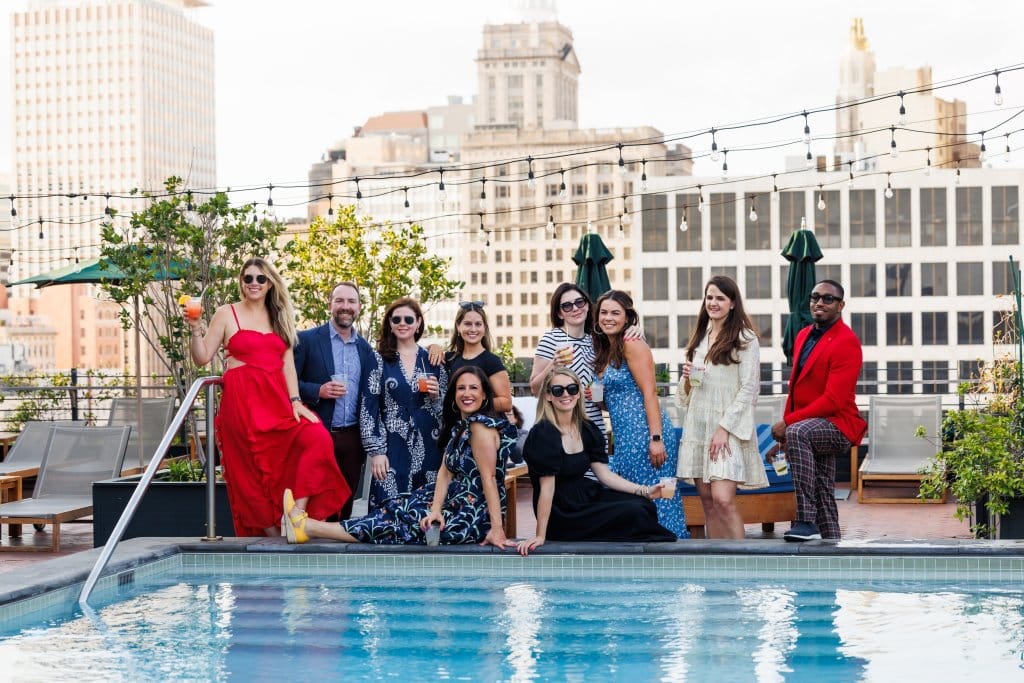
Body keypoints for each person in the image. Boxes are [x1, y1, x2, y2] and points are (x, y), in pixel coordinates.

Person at [187, 258, 350, 536]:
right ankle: (274, 541)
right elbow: (202, 358)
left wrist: (296, 401)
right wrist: (194, 328)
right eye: (248, 278)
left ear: (270, 283)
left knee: (317, 438)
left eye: (260, 279)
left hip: (276, 403)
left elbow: (287, 363)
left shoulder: (280, 316)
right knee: (248, 476)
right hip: (241, 403)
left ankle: (295, 516)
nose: (253, 283)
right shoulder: (227, 313)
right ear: (241, 282)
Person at [282, 366, 516, 548]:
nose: (466, 394)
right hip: (451, 503)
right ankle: (307, 526)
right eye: (461, 388)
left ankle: (308, 526)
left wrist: (497, 529)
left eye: (473, 388)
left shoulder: (481, 428)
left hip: (469, 515)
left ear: (485, 394)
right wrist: (436, 508)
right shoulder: (461, 427)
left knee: (398, 524)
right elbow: (445, 472)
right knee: (395, 508)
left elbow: (489, 480)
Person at [517, 367, 676, 555]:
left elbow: (604, 475)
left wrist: (645, 491)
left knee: (643, 505)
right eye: (558, 390)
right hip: (562, 511)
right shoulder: (544, 433)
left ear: (579, 393)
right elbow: (547, 489)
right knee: (634, 512)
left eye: (572, 389)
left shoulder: (586, 428)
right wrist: (541, 535)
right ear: (549, 396)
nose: (566, 394)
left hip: (585, 496)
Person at [771, 279, 867, 542]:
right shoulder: (802, 335)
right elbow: (796, 389)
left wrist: (789, 424)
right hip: (812, 424)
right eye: (815, 297)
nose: (819, 303)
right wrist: (784, 431)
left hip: (839, 424)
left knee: (800, 432)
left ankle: (805, 520)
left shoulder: (847, 342)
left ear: (841, 305)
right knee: (824, 490)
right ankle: (831, 547)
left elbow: (833, 400)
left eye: (828, 298)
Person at [676, 275, 768, 539]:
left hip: (726, 429)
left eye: (720, 298)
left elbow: (749, 389)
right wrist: (686, 379)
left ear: (732, 303)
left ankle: (743, 562)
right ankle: (718, 566)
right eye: (709, 297)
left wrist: (724, 428)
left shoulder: (745, 338)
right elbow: (685, 398)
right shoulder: (700, 338)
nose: (713, 303)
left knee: (724, 500)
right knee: (708, 503)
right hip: (699, 426)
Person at [592, 290, 688, 538]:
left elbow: (650, 392)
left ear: (627, 318)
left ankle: (672, 547)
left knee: (663, 497)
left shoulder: (632, 343)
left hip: (646, 433)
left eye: (615, 313)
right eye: (604, 312)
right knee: (637, 497)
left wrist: (656, 439)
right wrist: (592, 397)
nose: (608, 317)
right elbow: (608, 402)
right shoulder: (604, 350)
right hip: (624, 438)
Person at [294, 281, 376, 519]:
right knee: (317, 504)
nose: (345, 306)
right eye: (339, 300)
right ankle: (311, 552)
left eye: (351, 301)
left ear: (359, 307)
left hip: (352, 437)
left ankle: (341, 555)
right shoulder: (306, 340)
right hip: (319, 433)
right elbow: (288, 383)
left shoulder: (366, 349)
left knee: (346, 503)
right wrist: (317, 390)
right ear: (329, 304)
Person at [359, 297, 446, 510]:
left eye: (408, 318)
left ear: (418, 323)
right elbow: (368, 408)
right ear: (389, 323)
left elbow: (448, 412)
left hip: (429, 443)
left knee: (427, 509)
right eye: (396, 318)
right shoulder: (378, 359)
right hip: (392, 444)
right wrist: (376, 451)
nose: (402, 323)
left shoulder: (433, 359)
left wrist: (437, 397)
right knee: (388, 510)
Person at [529, 283, 605, 441]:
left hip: (594, 429)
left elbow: (598, 394)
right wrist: (553, 366)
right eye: (567, 306)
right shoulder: (551, 339)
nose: (575, 308)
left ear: (587, 305)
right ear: (559, 313)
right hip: (562, 431)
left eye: (579, 302)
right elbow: (535, 389)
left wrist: (597, 393)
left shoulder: (596, 341)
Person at [435, 301, 512, 449]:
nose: (473, 329)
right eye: (467, 324)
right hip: (454, 434)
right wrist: (433, 346)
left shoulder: (492, 361)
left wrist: (472, 402)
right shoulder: (450, 359)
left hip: (482, 435)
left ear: (484, 328)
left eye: (478, 324)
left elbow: (506, 403)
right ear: (458, 327)